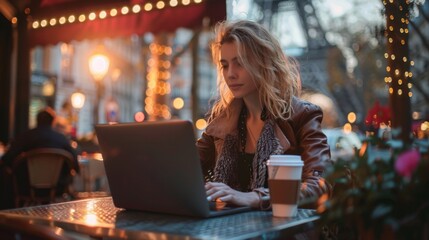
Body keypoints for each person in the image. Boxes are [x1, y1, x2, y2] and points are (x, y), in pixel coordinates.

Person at [197, 20, 332, 210]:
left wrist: (256, 197)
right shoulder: (221, 122)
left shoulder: (301, 115)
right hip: (229, 228)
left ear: (264, 63)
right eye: (225, 65)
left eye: (240, 63)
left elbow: (321, 185)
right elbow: (186, 171)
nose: (230, 74)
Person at [0, 107, 80, 208]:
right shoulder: (62, 139)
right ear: (53, 122)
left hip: (26, 187)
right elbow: (75, 165)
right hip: (57, 188)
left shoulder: (25, 137)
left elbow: (6, 159)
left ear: (37, 120)